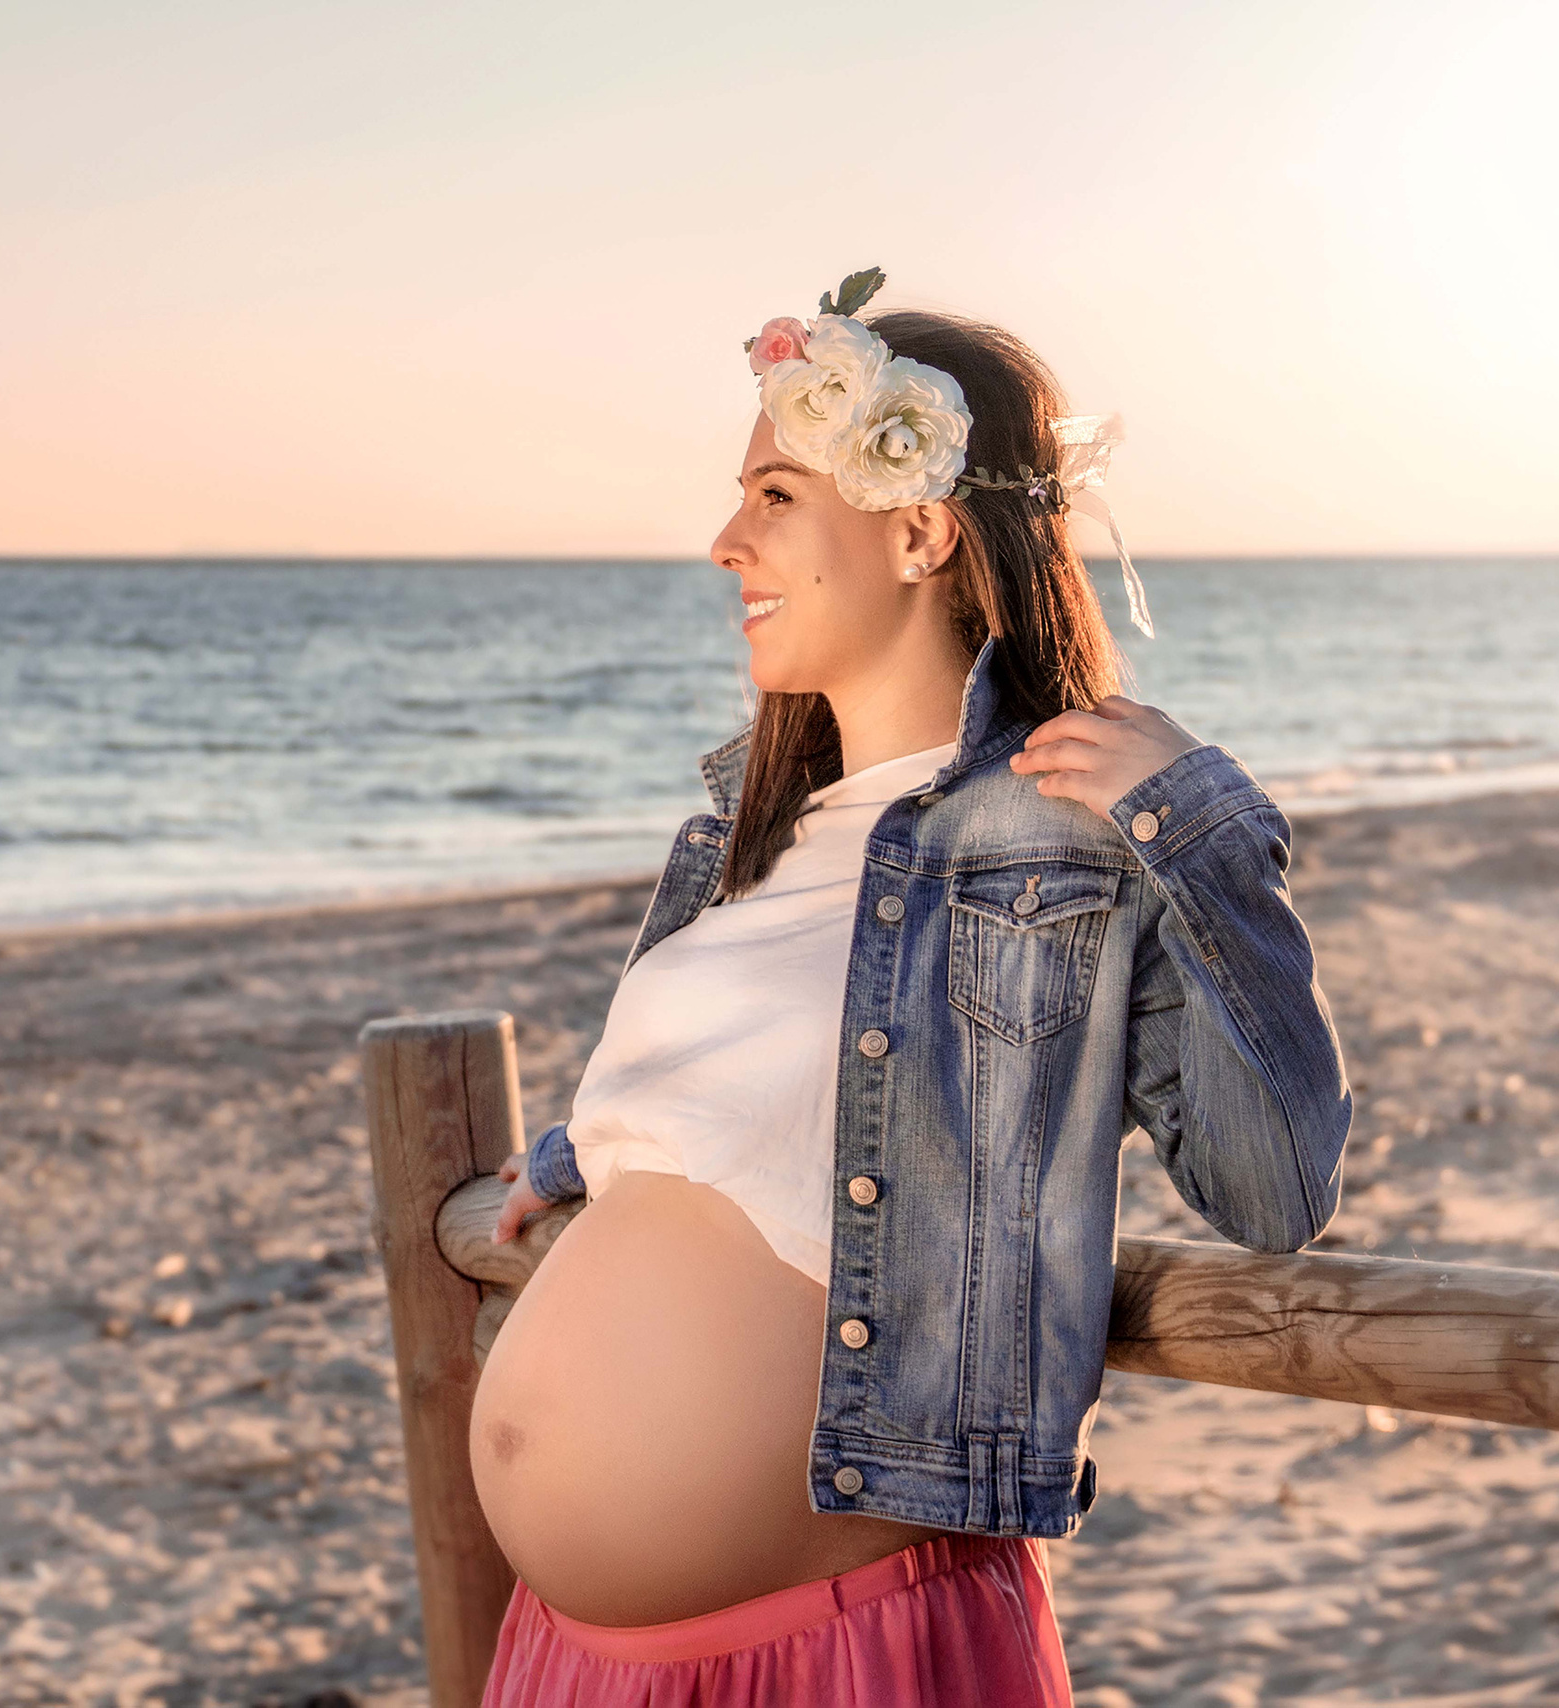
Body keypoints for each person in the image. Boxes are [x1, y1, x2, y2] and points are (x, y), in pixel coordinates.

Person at [465, 269, 1353, 1705]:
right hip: (577, 1657)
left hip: (842, 1648)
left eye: (774, 496)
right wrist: (587, 1157)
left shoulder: (1069, 843)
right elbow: (771, 1111)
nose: (725, 542)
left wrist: (1195, 828)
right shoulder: (743, 839)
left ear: (920, 529)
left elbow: (1275, 1188)